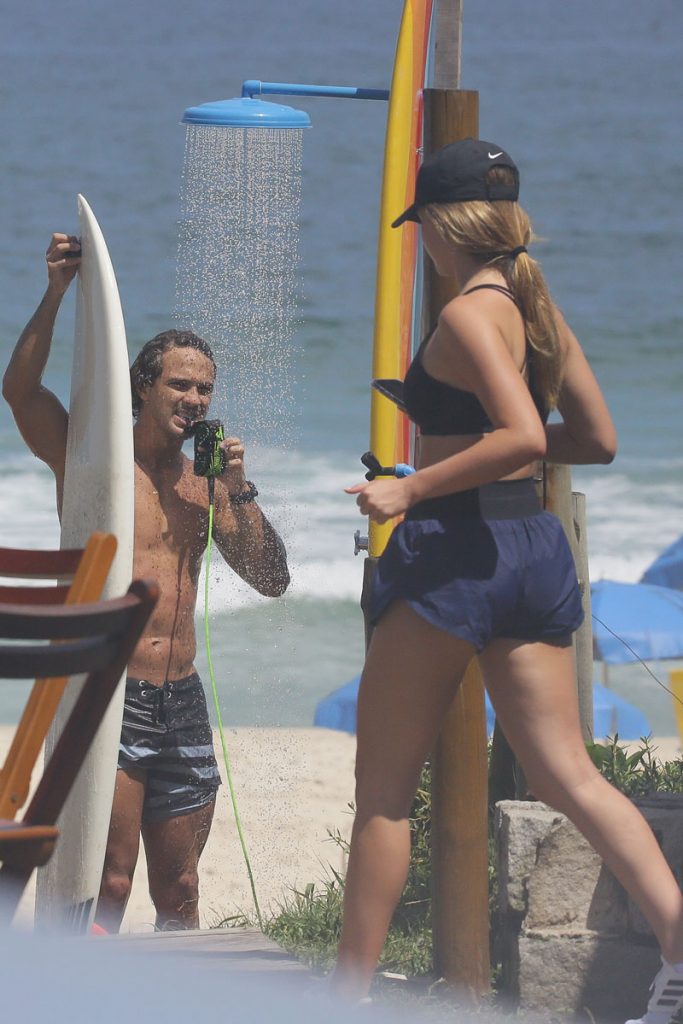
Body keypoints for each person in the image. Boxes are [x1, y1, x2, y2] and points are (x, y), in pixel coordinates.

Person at [333, 138, 683, 1023]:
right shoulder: (534, 305)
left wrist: (411, 487)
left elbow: (522, 434)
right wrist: (463, 458)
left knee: (382, 798)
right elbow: (593, 440)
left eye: (421, 227)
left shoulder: (463, 317)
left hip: (454, 550)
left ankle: (342, 1000)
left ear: (439, 226)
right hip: (530, 544)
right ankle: (679, 954)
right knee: (570, 777)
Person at [3, 233, 290, 932]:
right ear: (143, 386)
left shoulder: (205, 484)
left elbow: (270, 578)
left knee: (182, 888)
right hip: (110, 690)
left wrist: (238, 488)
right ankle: (80, 984)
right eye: (179, 385)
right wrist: (56, 292)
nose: (194, 399)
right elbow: (19, 392)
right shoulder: (89, 458)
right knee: (109, 879)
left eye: (204, 389)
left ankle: (170, 988)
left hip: (180, 700)